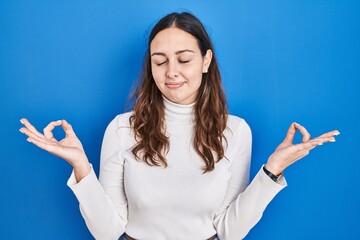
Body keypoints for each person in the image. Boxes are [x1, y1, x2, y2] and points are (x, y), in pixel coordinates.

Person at [19, 12, 339, 240]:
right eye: (160, 61)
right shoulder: (122, 129)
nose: (171, 72)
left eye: (184, 59)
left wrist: (273, 170)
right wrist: (80, 166)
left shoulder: (236, 131)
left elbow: (229, 231)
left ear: (205, 61)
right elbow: (106, 232)